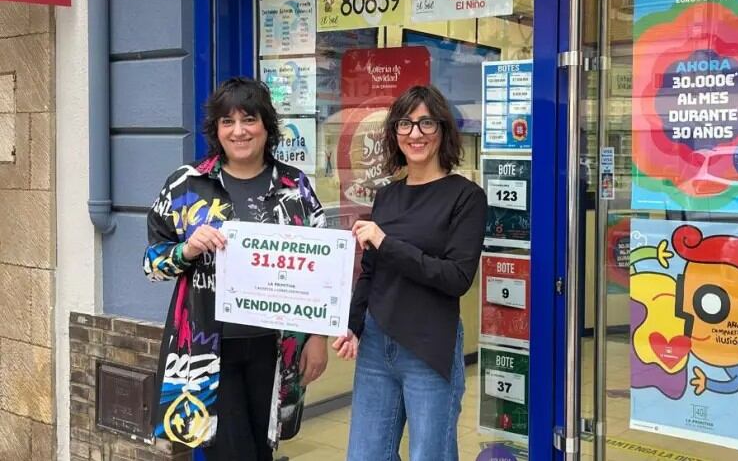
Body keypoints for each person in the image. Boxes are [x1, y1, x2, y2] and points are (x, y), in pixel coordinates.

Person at [143, 77, 329, 460]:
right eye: (227, 122)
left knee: (262, 450)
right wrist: (187, 250)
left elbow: (322, 272)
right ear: (216, 130)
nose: (239, 131)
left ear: (267, 126)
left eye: (249, 119)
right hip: (207, 347)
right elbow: (152, 264)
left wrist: (318, 337)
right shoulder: (186, 185)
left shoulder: (295, 187)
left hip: (274, 347)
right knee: (230, 452)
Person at [332, 85, 487, 461]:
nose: (415, 134)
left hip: (429, 344)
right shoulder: (387, 195)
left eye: (426, 123)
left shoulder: (466, 197)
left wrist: (387, 242)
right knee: (366, 455)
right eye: (405, 124)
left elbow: (456, 278)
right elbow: (371, 272)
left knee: (428, 455)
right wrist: (352, 324)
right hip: (375, 344)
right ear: (394, 133)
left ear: (443, 131)